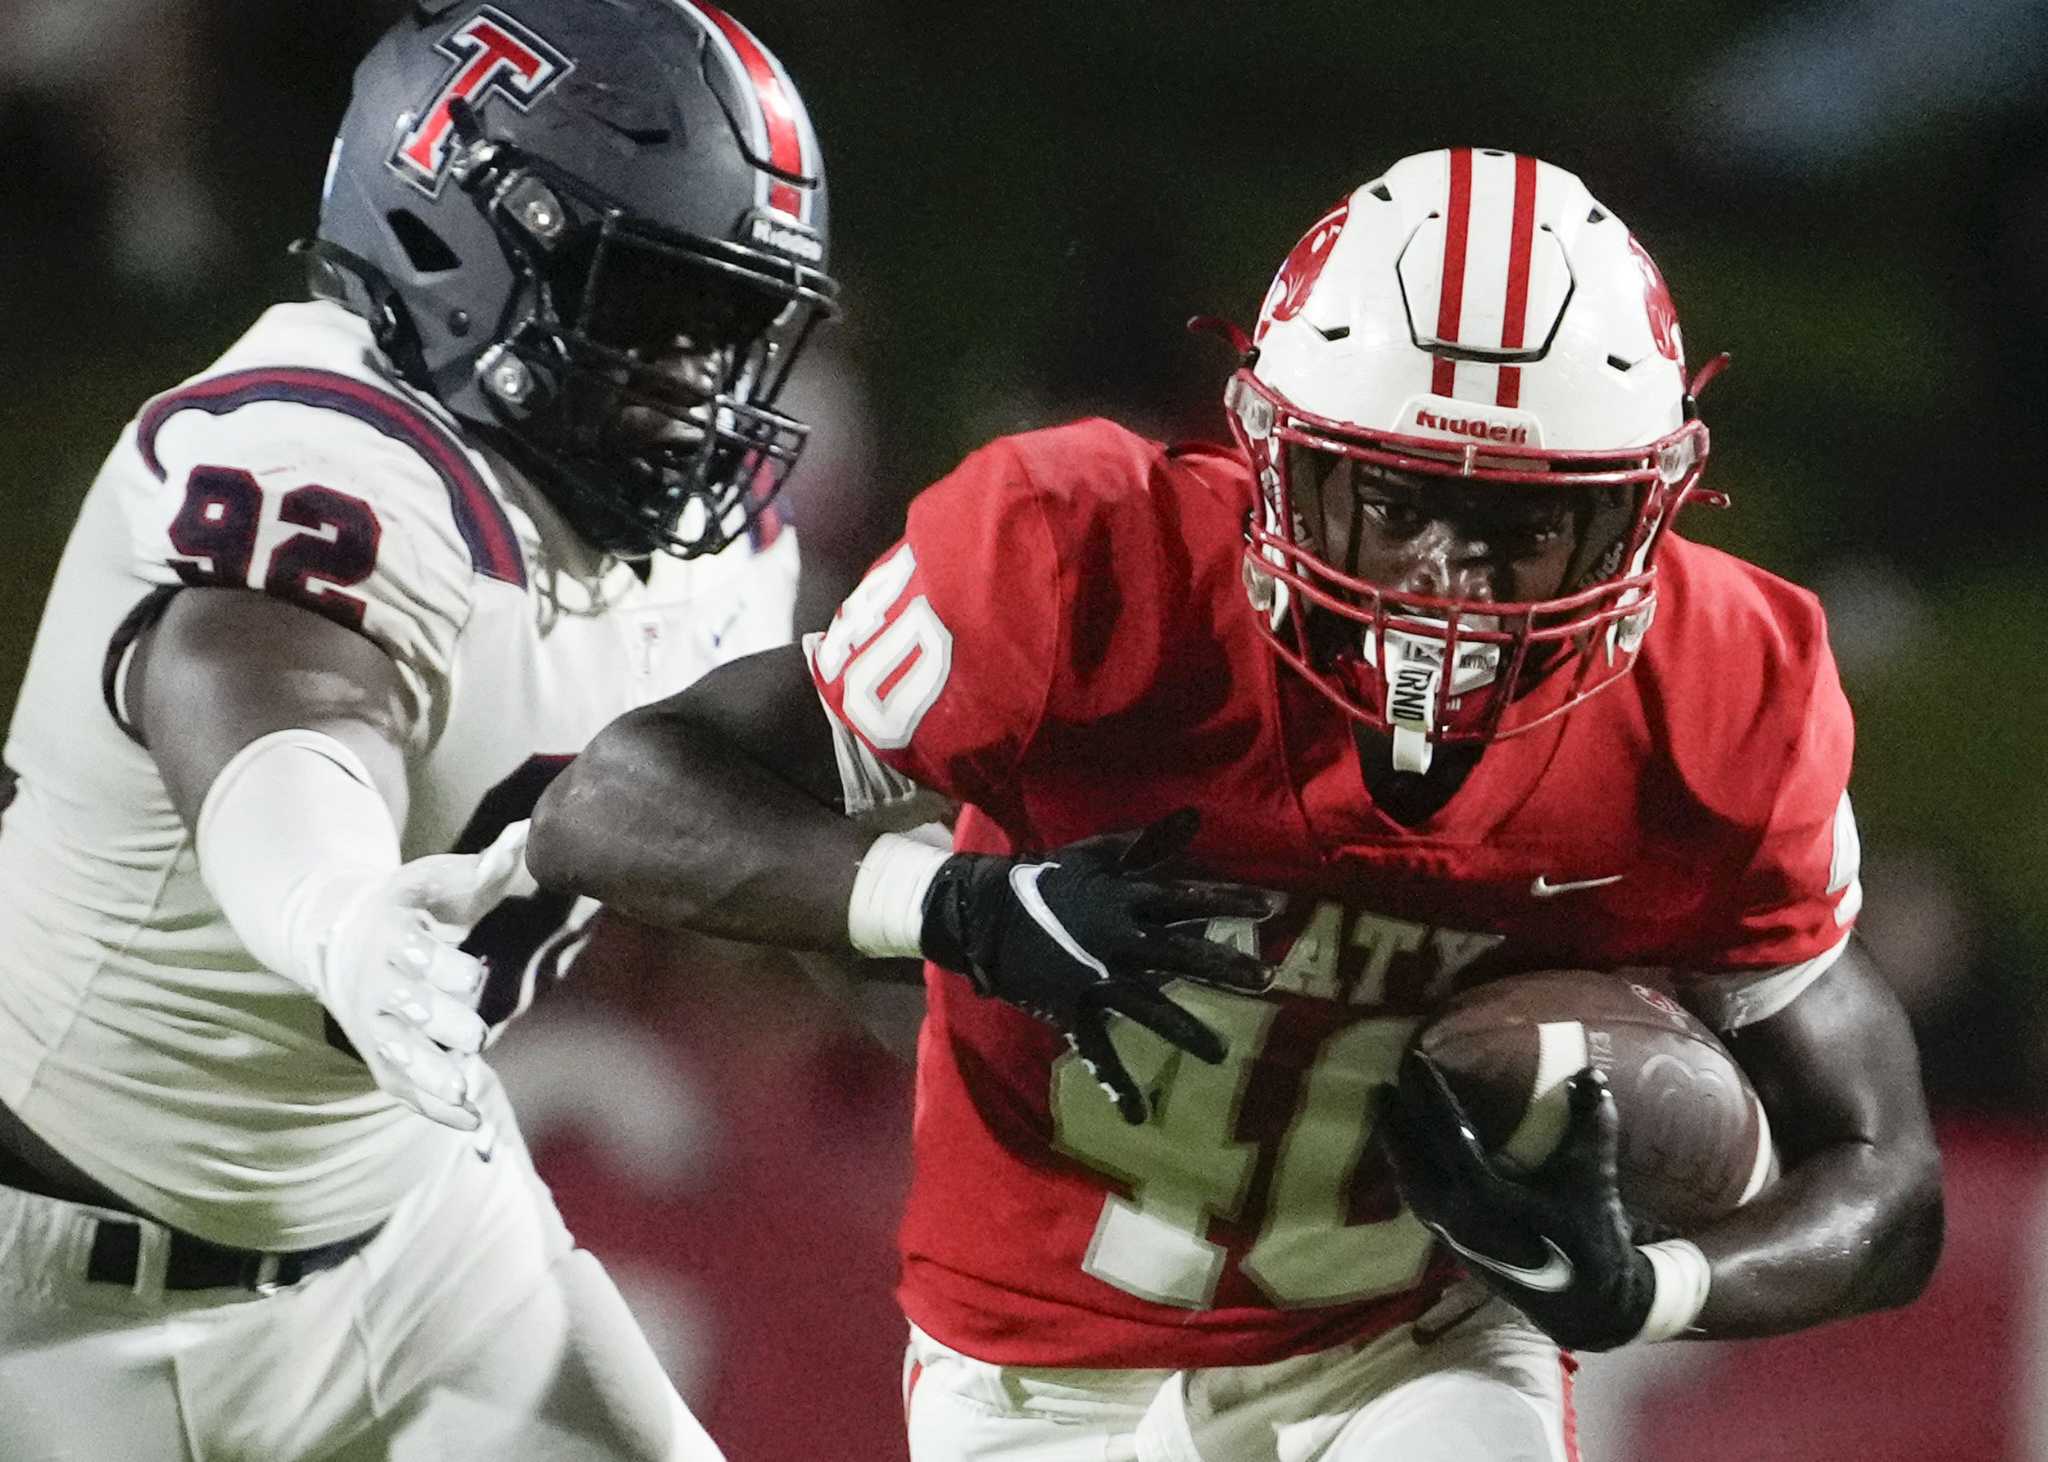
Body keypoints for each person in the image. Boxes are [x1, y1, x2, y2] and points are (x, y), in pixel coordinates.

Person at [529, 147, 1947, 1459]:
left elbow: (1887, 1179)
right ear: (1274, 452)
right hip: (1033, 1354)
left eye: (1522, 523)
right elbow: (613, 799)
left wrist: (1654, 1285)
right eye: (1391, 501)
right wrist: (946, 903)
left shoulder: (1725, 683)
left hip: (1410, 1346)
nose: (1443, 582)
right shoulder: (1084, 558)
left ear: (1645, 511)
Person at [0, 2, 838, 1457]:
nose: (698, 379)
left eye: (731, 322)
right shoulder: (318, 447)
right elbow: (254, 689)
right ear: (456, 242)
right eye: (646, 303)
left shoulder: (712, 544)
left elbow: (774, 782)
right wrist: (335, 910)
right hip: (53, 1284)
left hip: (410, 1227)